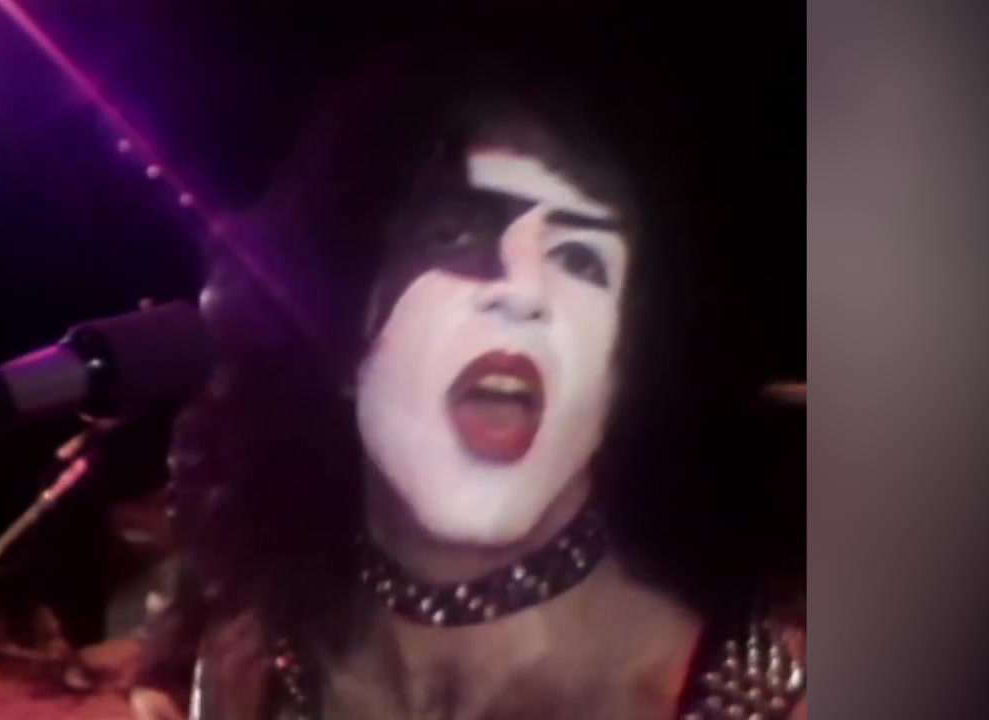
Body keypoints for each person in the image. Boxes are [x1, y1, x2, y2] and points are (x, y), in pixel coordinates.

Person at [128, 45, 806, 720]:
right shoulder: (247, 669)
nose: (522, 290)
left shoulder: (760, 691)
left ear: (628, 366)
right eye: (452, 234)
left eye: (579, 257)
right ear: (338, 324)